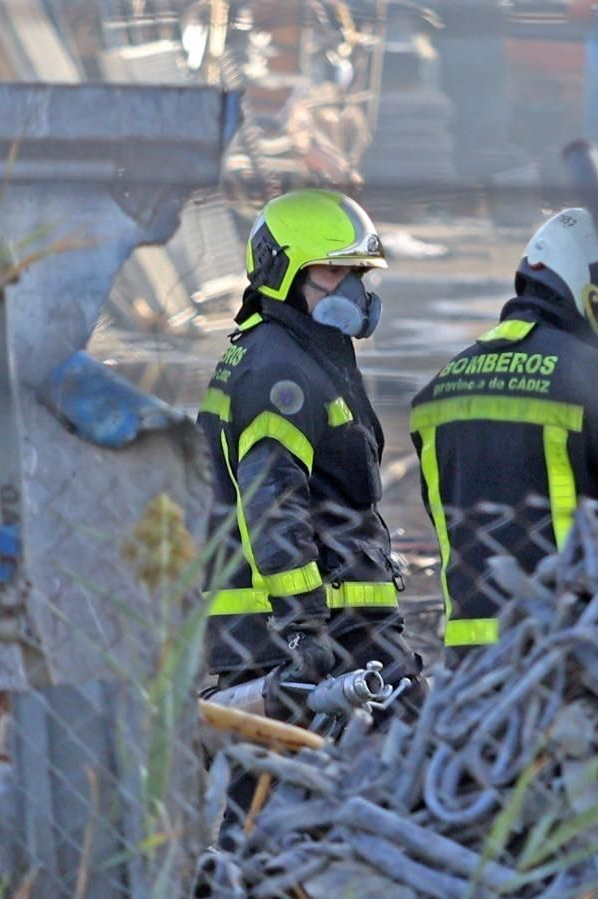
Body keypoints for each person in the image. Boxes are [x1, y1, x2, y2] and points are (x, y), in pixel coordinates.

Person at [197, 188, 419, 721]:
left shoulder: (301, 354)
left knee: (286, 789)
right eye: (332, 273)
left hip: (327, 630)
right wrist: (302, 629)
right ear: (284, 272)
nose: (352, 290)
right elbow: (272, 503)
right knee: (403, 759)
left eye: (357, 275)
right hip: (313, 636)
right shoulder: (280, 370)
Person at [409, 208, 598, 660]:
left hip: (468, 659)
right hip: (568, 647)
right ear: (592, 293)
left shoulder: (439, 390)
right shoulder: (597, 380)